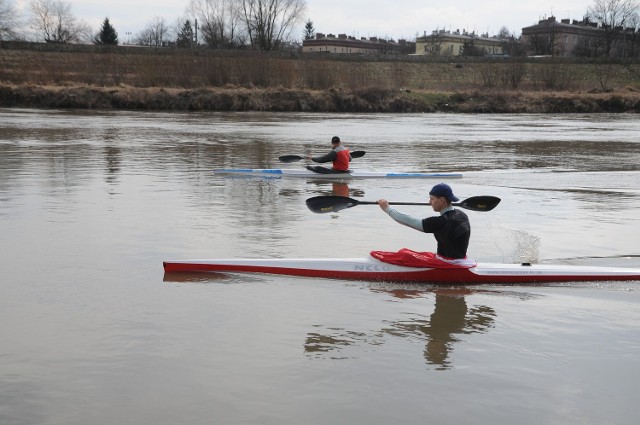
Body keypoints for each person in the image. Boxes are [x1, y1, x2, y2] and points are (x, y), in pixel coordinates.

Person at [377, 183, 470, 259]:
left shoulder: (441, 222)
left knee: (404, 255)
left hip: (448, 265)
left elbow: (409, 221)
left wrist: (387, 209)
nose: (429, 202)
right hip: (459, 261)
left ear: (441, 200)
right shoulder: (462, 215)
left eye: (432, 199)